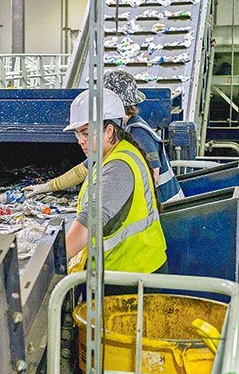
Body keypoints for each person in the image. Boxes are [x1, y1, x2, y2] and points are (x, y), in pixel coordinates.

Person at [24, 70, 183, 204]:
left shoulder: (138, 133)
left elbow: (150, 179)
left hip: (167, 210)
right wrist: (46, 187)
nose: (81, 140)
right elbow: (83, 170)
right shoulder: (119, 131)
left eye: (86, 133)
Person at [63, 89, 167, 276]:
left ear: (109, 130)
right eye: (78, 134)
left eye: (86, 133)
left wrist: (53, 262)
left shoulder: (118, 166)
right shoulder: (110, 155)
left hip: (133, 277)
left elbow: (91, 222)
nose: (81, 141)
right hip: (127, 271)